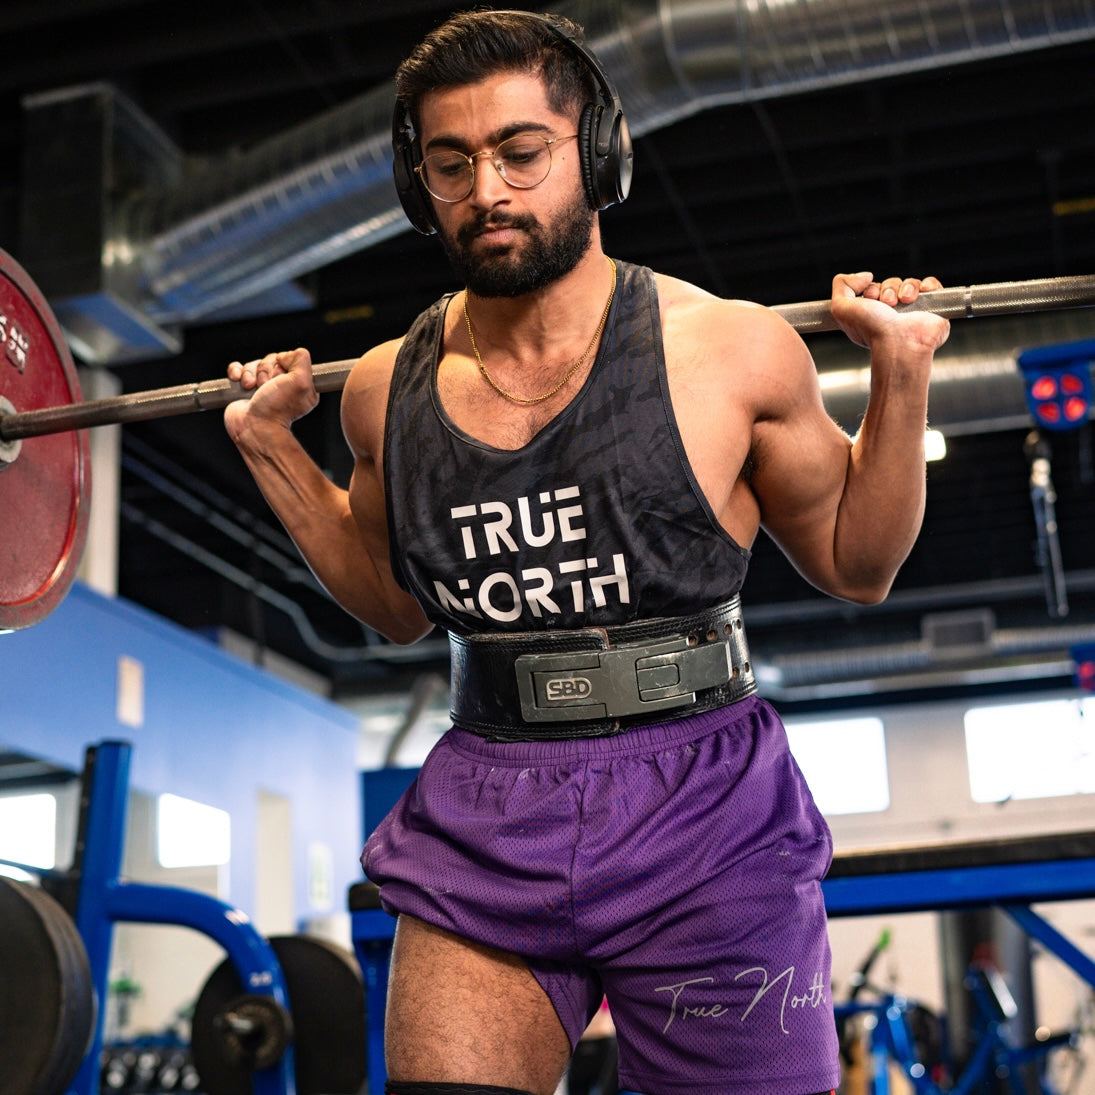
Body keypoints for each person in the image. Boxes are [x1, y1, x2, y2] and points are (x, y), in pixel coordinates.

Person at [223, 9, 950, 1095]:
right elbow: (393, 606)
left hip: (706, 814)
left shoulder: (729, 348)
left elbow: (859, 562)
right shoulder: (384, 388)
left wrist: (901, 376)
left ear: (597, 155)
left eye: (522, 153)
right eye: (451, 163)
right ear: (417, 182)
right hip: (488, 804)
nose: (489, 191)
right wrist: (270, 451)